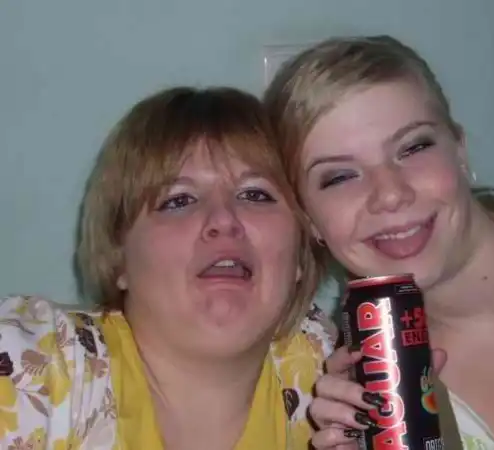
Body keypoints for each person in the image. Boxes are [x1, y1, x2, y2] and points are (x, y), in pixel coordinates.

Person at [264, 35, 494, 449]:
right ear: (309, 219)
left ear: (460, 150)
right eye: (340, 176)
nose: (390, 194)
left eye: (412, 148)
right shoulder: (364, 375)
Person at [0, 86, 338, 449]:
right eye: (178, 200)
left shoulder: (327, 376)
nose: (223, 220)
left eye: (255, 194)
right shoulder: (29, 370)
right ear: (119, 257)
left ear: (301, 251)